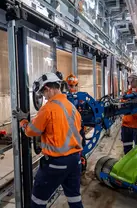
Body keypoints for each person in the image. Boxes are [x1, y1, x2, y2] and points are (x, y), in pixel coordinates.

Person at [12, 72, 84, 208]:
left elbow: (31, 131)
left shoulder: (48, 109)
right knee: (74, 198)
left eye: (43, 93)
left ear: (48, 89)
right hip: (75, 161)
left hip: (56, 164)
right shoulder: (71, 106)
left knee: (38, 201)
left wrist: (22, 121)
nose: (43, 97)